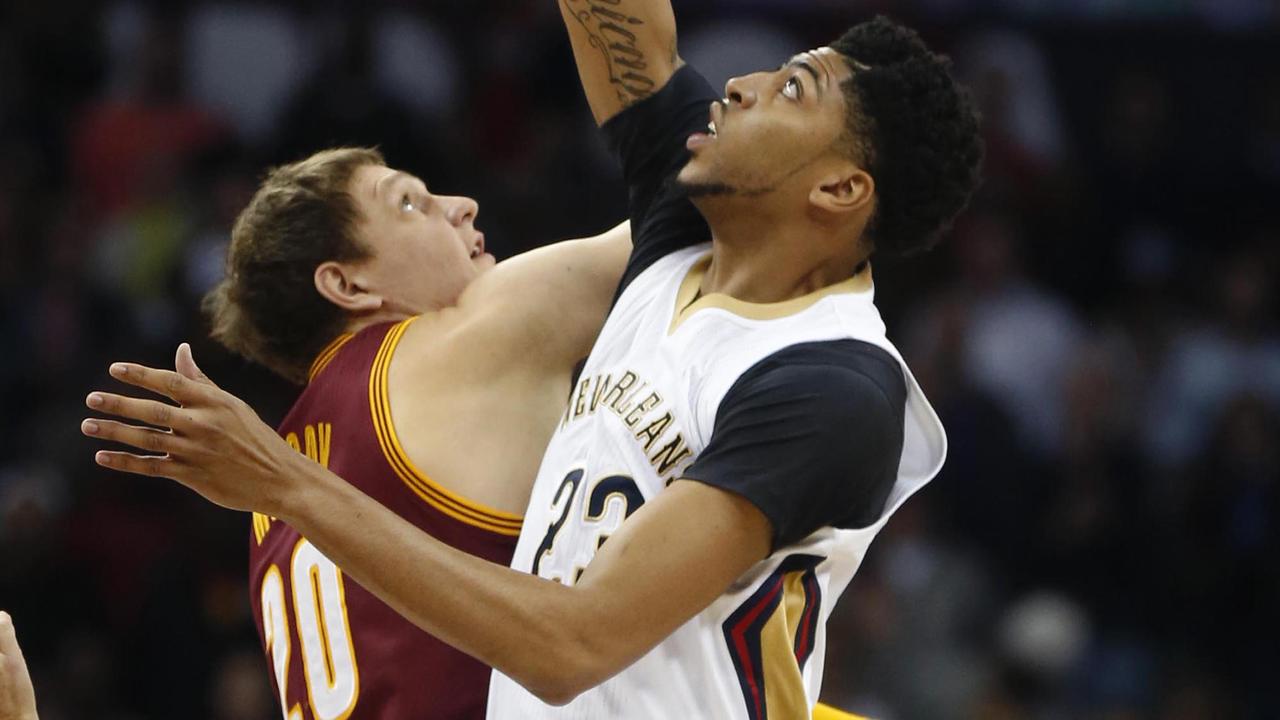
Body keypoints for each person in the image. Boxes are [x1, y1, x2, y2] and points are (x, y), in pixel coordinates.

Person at [80, 7, 981, 719]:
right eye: (411, 204)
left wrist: (283, 483)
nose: (738, 85)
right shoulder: (623, 272)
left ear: (839, 189)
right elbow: (624, 33)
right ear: (344, 283)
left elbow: (572, 648)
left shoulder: (829, 383)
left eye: (791, 90)